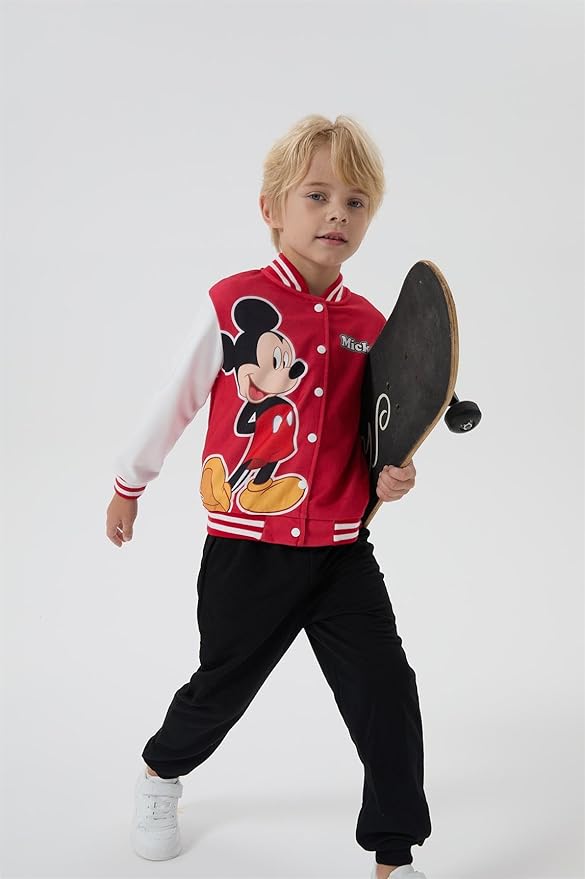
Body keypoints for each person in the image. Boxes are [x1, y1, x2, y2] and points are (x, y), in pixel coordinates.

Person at [106, 113, 431, 879]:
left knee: (387, 695)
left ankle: (393, 855)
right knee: (220, 690)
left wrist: (393, 474)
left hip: (342, 554)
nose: (335, 214)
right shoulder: (232, 302)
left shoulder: (370, 326)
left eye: (354, 202)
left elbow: (377, 436)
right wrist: (130, 483)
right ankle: (159, 773)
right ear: (271, 208)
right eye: (316, 195)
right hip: (246, 549)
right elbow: (176, 398)